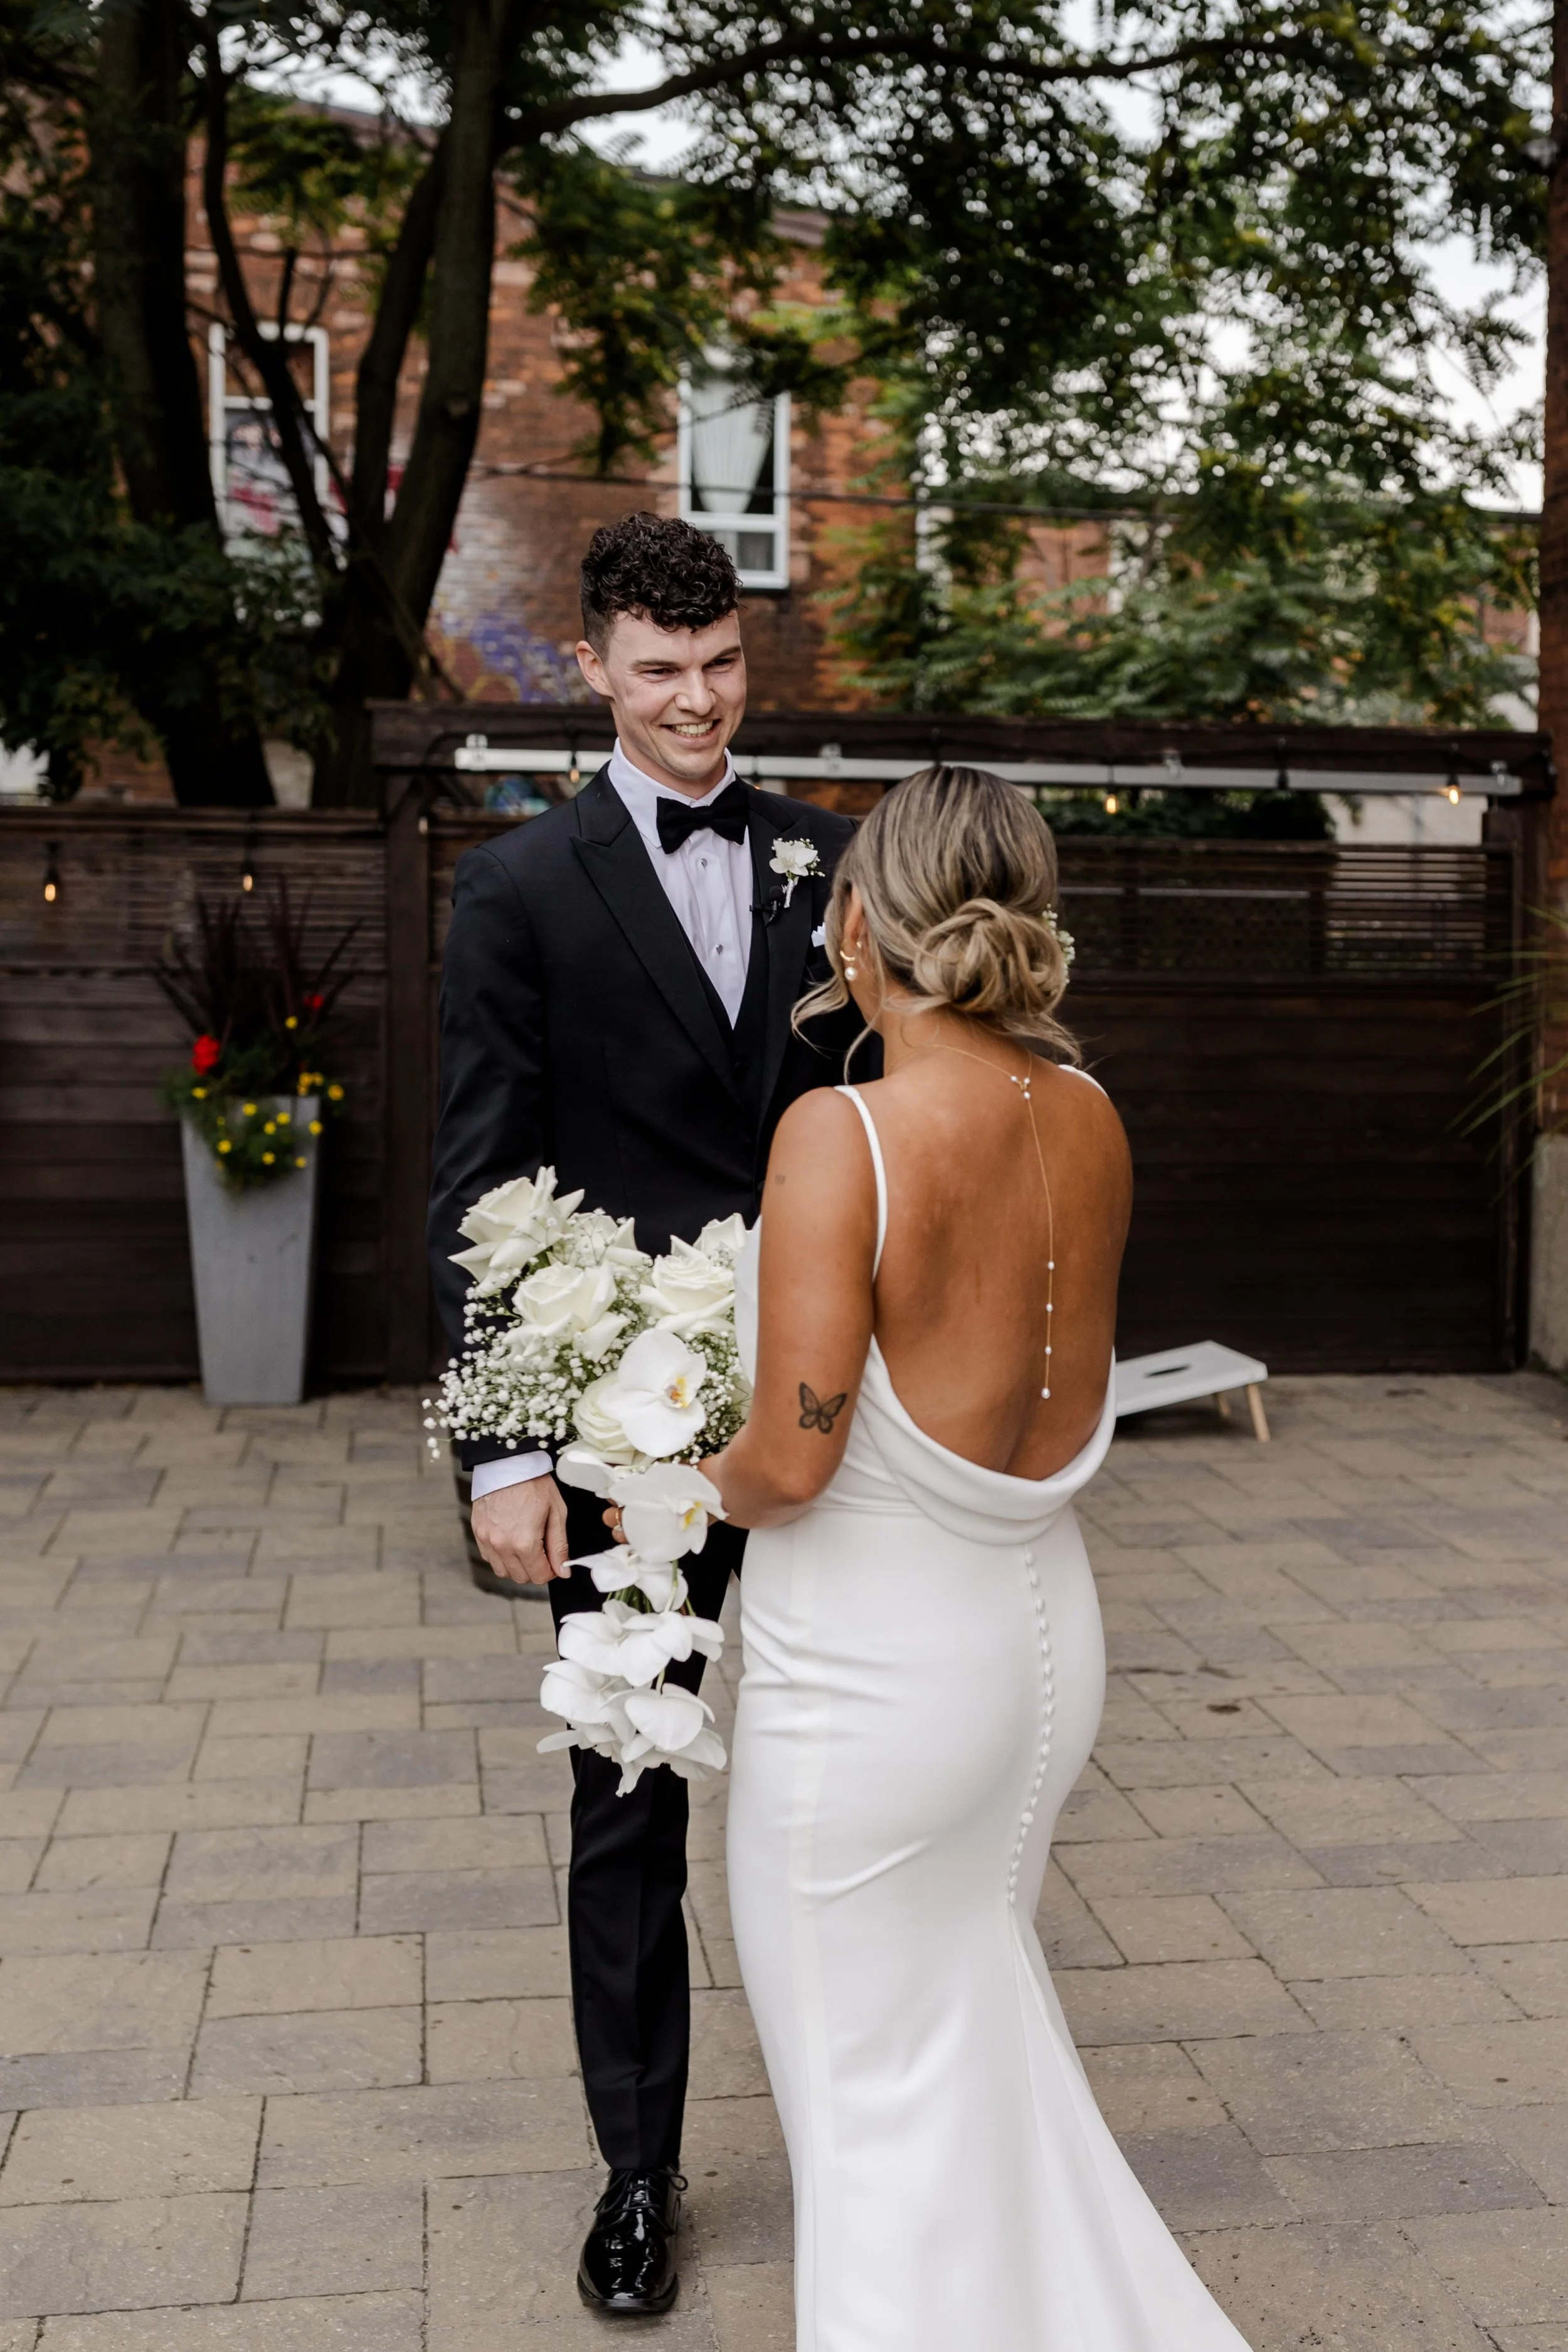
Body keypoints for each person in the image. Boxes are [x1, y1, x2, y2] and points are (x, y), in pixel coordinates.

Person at [697, 767, 1254, 2350]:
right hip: (1032, 1656)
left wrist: (657, 1472)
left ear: (863, 918)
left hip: (873, 1698)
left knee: (868, 2123)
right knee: (971, 2047)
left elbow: (790, 1462)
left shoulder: (841, 1132)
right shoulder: (1085, 1116)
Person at [426, 512, 866, 2318]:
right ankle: (636, 2169)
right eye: (660, 671)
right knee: (631, 1796)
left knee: (849, 1781)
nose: (697, 703)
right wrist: (507, 1450)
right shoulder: (518, 888)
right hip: (621, 1424)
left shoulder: (831, 863)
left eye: (723, 668)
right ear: (592, 670)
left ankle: (873, 2140)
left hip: (828, 1409)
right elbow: (485, 1173)